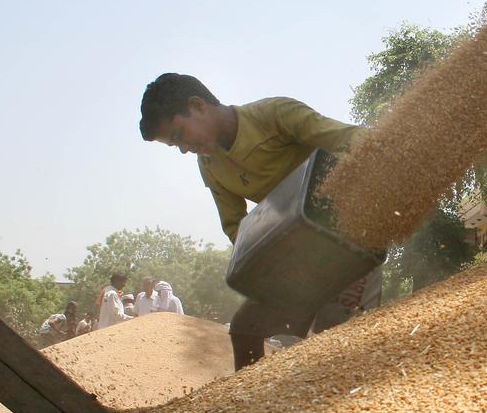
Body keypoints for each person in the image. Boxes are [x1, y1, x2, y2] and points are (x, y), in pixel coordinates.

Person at [139, 72, 380, 370]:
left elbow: (348, 138)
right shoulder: (210, 166)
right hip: (298, 262)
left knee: (334, 326)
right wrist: (267, 274)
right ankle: (248, 404)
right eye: (174, 146)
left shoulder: (274, 115)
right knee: (245, 327)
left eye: (178, 135)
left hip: (349, 242)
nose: (184, 149)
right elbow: (236, 228)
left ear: (198, 105)